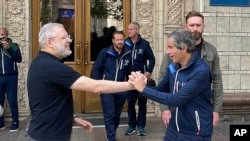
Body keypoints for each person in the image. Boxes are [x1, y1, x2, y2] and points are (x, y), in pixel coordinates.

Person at [26, 23, 135, 141]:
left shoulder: (40, 61)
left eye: (68, 37)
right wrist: (132, 85)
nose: (69, 40)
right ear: (50, 42)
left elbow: (47, 103)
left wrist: (71, 119)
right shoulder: (53, 67)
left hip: (43, 134)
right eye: (64, 37)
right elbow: (96, 86)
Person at [129, 29, 213, 141]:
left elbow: (176, 99)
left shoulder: (201, 72)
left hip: (195, 132)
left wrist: (143, 89)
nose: (167, 52)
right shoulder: (173, 66)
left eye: (170, 47)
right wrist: (143, 84)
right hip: (174, 129)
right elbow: (161, 89)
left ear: (184, 48)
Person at [158, 11, 223, 128]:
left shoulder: (211, 50)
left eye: (198, 25)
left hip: (202, 108)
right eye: (192, 25)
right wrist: (164, 108)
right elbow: (163, 77)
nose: (195, 29)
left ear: (203, 26)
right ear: (186, 27)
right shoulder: (174, 49)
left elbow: (217, 80)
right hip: (178, 107)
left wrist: (216, 109)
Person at [91, 31, 131, 141]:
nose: (120, 42)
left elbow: (130, 72)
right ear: (113, 41)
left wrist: (130, 86)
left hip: (121, 89)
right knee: (110, 115)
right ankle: (111, 138)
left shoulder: (128, 54)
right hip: (106, 89)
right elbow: (96, 69)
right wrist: (97, 84)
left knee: (116, 116)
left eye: (121, 39)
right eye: (117, 40)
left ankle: (112, 133)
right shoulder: (105, 52)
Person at [124, 22, 155, 136]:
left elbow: (152, 59)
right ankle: (131, 126)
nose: (129, 31)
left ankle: (141, 126)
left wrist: (148, 72)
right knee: (130, 103)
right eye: (128, 29)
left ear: (137, 30)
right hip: (129, 79)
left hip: (141, 79)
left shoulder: (144, 44)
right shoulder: (125, 43)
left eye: (131, 29)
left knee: (142, 103)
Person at [0, 27, 22, 132]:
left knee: (12, 100)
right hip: (0, 77)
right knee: (0, 101)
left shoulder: (14, 45)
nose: (1, 37)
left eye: (3, 35)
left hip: (11, 77)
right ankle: (0, 123)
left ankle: (15, 123)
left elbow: (19, 59)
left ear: (7, 35)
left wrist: (8, 48)